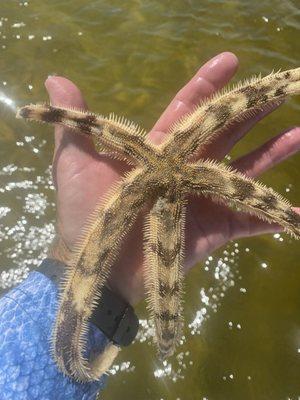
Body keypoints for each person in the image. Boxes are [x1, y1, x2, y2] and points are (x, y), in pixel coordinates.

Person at [0, 52, 299, 399]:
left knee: (132, 264)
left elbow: (97, 126)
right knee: (156, 270)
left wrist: (50, 113)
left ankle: (135, 343)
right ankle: (146, 341)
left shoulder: (149, 160)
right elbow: (98, 127)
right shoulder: (156, 179)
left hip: (161, 184)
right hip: (163, 190)